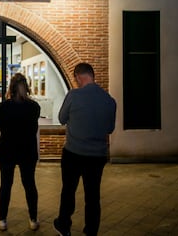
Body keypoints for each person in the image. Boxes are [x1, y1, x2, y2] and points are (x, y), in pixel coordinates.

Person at [53, 63, 116, 236]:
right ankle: (91, 231)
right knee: (93, 196)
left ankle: (64, 226)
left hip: (73, 152)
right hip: (97, 155)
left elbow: (61, 118)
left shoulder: (74, 95)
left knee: (68, 191)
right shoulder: (109, 100)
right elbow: (110, 128)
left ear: (79, 77)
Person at [0, 73, 41, 231]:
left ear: (11, 88)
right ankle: (33, 219)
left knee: (6, 184)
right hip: (28, 149)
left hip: (8, 149)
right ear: (26, 87)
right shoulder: (34, 107)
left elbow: (1, 127)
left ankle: (3, 219)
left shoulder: (3, 107)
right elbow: (33, 128)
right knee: (29, 184)